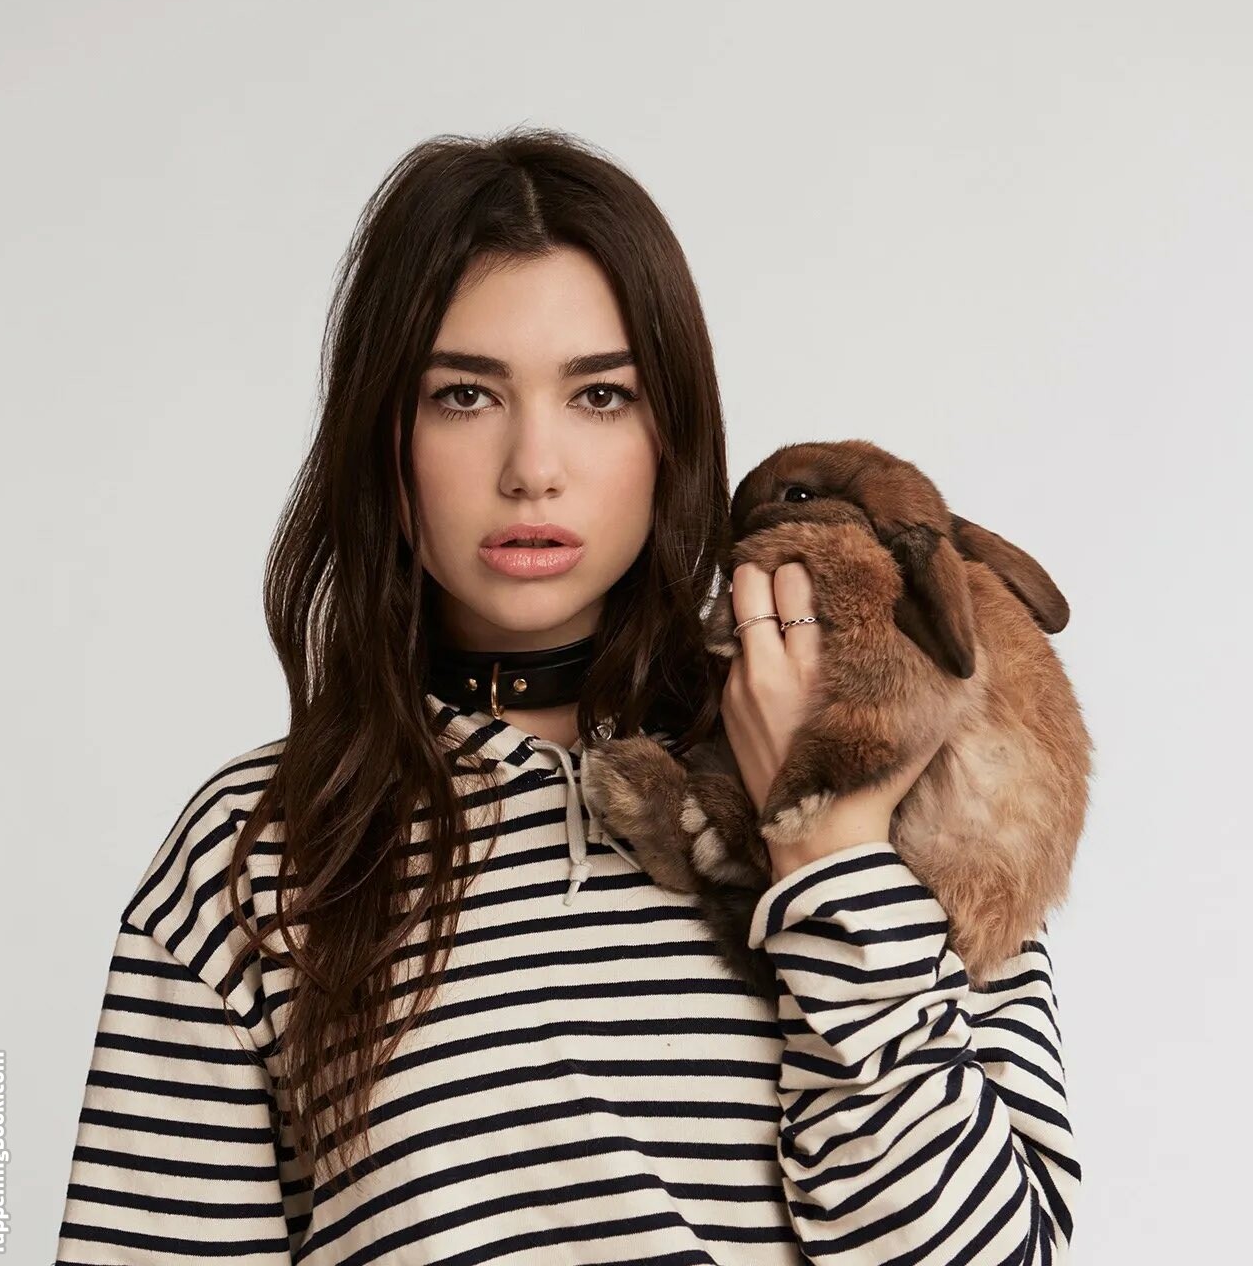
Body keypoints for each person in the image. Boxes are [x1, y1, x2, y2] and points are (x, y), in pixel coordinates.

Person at [54, 128, 1080, 1264]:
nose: (531, 467)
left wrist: (828, 844)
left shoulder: (922, 776)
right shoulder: (258, 851)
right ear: (383, 436)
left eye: (599, 394)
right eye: (463, 394)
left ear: (670, 433)